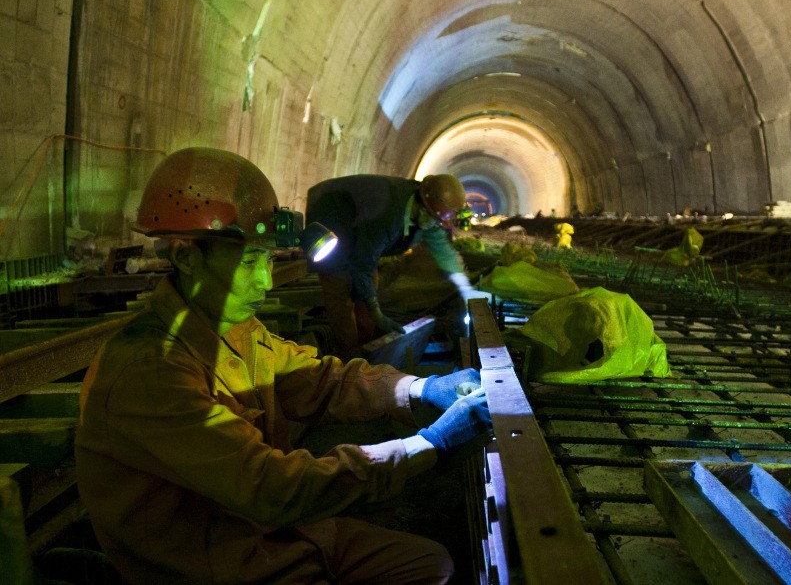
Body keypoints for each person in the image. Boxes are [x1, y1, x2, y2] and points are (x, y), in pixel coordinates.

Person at [75, 147, 492, 584]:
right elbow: (270, 485)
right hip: (219, 563)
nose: (266, 281)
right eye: (249, 261)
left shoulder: (235, 327)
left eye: (268, 260)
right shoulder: (149, 371)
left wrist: (418, 388)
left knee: (429, 565)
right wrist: (426, 445)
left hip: (281, 537)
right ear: (185, 256)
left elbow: (318, 379)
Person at [305, 173, 489, 356]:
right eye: (433, 219)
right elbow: (363, 263)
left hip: (360, 224)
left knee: (367, 292)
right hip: (331, 213)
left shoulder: (427, 214)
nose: (435, 225)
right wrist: (376, 312)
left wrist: (466, 288)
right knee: (340, 290)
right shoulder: (387, 212)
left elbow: (443, 251)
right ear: (423, 206)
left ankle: (364, 345)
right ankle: (347, 355)